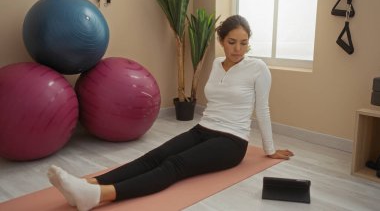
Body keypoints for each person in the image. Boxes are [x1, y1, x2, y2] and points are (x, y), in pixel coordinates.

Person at [47, 15, 294, 211]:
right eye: (232, 42)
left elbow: (262, 107)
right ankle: (88, 184)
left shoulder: (258, 68)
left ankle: (99, 195)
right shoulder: (218, 64)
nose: (238, 49)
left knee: (175, 165)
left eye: (244, 42)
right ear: (221, 41)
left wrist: (270, 150)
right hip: (204, 129)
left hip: (232, 141)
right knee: (155, 155)